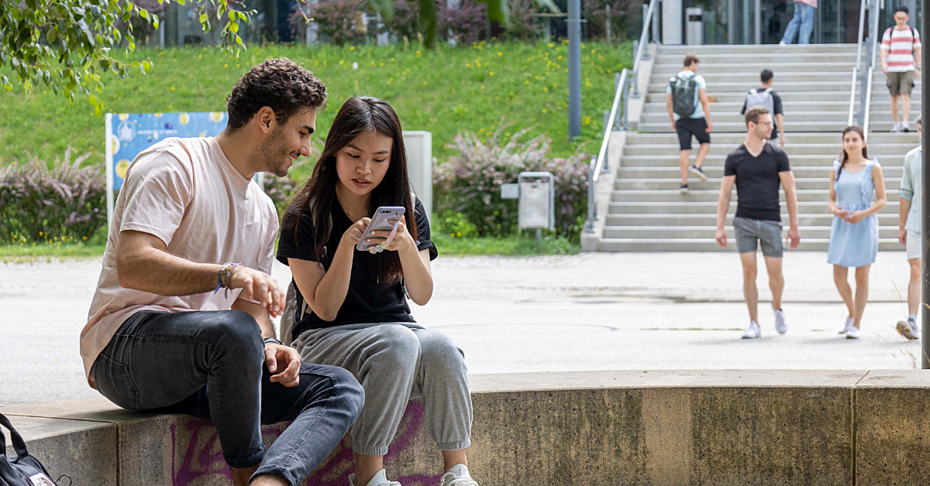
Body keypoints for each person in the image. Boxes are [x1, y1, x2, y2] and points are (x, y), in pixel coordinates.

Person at [81, 59, 364, 486]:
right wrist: (227, 274)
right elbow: (134, 262)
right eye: (303, 131)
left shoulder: (264, 211)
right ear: (266, 120)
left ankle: (271, 482)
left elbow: (252, 311)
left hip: (215, 361)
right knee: (231, 333)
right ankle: (246, 473)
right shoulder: (174, 164)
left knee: (340, 387)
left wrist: (270, 344)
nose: (307, 148)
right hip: (125, 351)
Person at [276, 97, 478, 486]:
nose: (365, 169)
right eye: (353, 155)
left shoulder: (406, 208)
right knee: (398, 343)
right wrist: (347, 247)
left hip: (394, 333)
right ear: (334, 150)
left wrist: (405, 246)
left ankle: (457, 471)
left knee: (442, 348)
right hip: (323, 339)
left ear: (393, 160)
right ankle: (370, 476)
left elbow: (421, 295)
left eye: (379, 159)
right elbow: (325, 307)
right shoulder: (304, 214)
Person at [715, 107, 801, 339]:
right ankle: (754, 322)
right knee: (749, 272)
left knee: (776, 275)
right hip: (743, 221)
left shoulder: (777, 155)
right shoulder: (735, 157)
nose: (771, 127)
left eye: (771, 123)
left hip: (771, 220)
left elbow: (790, 190)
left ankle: (778, 306)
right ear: (751, 125)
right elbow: (725, 194)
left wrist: (794, 226)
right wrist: (720, 226)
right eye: (766, 124)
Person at [827, 126, 887, 340]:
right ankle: (852, 313)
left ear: (863, 142)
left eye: (854, 139)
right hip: (842, 224)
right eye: (846, 140)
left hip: (863, 223)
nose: (850, 143)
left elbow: (882, 199)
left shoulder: (873, 167)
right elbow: (831, 199)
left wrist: (862, 214)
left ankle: (857, 322)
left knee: (861, 276)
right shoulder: (837, 168)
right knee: (838, 276)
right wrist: (835, 210)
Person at [667, 52, 713, 194]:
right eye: (697, 64)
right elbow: (704, 101)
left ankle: (684, 183)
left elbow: (669, 103)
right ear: (692, 63)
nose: (697, 67)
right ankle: (697, 165)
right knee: (705, 142)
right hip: (697, 117)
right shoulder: (698, 79)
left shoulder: (673, 80)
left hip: (680, 119)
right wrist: (709, 121)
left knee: (684, 150)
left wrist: (673, 120)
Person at [897, 115, 922, 340]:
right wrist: (901, 225)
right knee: (916, 268)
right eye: (920, 130)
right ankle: (913, 320)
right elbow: (906, 192)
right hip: (917, 222)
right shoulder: (912, 157)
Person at [881, 6, 922, 133]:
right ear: (894, 18)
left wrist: (918, 67)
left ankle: (905, 122)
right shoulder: (889, 32)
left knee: (905, 94)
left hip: (907, 67)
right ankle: (896, 123)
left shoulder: (913, 32)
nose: (900, 21)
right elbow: (884, 49)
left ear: (907, 18)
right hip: (893, 68)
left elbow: (917, 50)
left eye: (903, 19)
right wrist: (884, 64)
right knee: (894, 96)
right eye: (898, 18)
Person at [741, 69, 786, 147]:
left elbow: (745, 113)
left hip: (754, 132)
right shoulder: (773, 95)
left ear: (760, 79)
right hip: (770, 134)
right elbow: (779, 115)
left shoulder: (751, 94)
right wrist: (782, 134)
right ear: (771, 80)